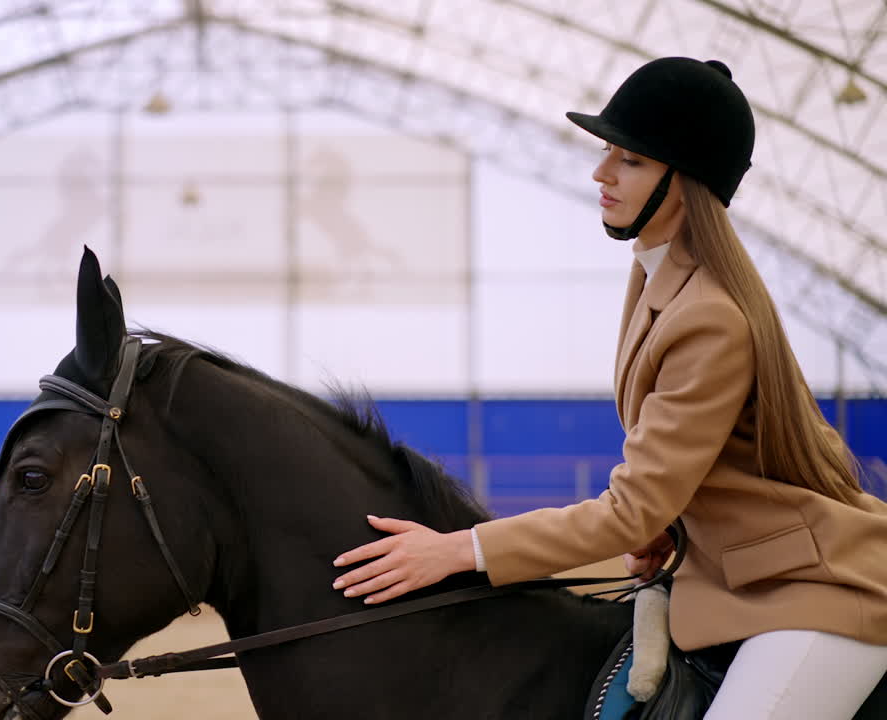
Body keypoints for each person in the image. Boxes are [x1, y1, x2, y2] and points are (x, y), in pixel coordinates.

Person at [331, 57, 887, 719]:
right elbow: (708, 470)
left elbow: (630, 510)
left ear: (685, 182)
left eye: (630, 160)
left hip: (819, 594)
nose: (601, 173)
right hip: (739, 579)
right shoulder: (657, 278)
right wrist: (678, 527)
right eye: (607, 152)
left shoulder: (709, 315)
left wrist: (457, 549)